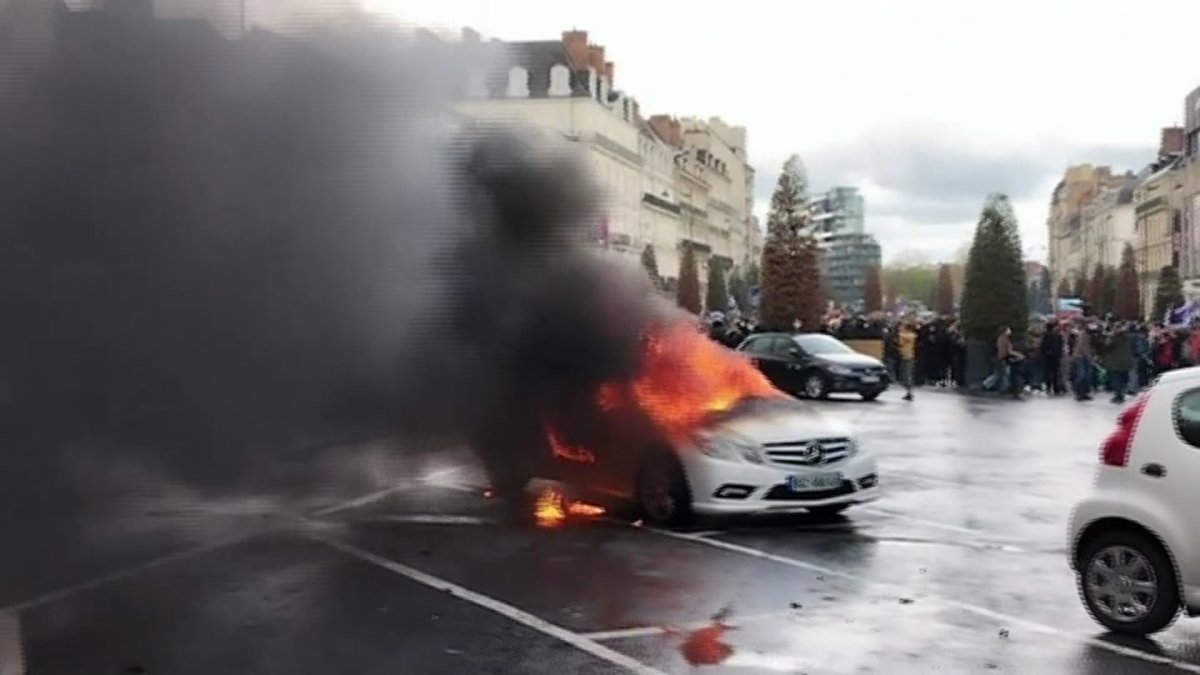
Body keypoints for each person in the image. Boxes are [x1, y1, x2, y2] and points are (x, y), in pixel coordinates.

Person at [1102, 321, 1133, 404]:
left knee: (1116, 380)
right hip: (1125, 362)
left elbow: (1107, 346)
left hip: (1116, 362)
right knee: (1122, 380)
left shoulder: (1115, 337)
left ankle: (1118, 396)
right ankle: (1121, 394)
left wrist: (1110, 336)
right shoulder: (1126, 337)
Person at [897, 319, 918, 401]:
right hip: (904, 356)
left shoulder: (910, 335)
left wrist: (900, 332)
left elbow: (902, 336)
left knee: (907, 375)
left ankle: (910, 392)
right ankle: (908, 392)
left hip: (908, 357)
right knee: (903, 376)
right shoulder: (904, 335)